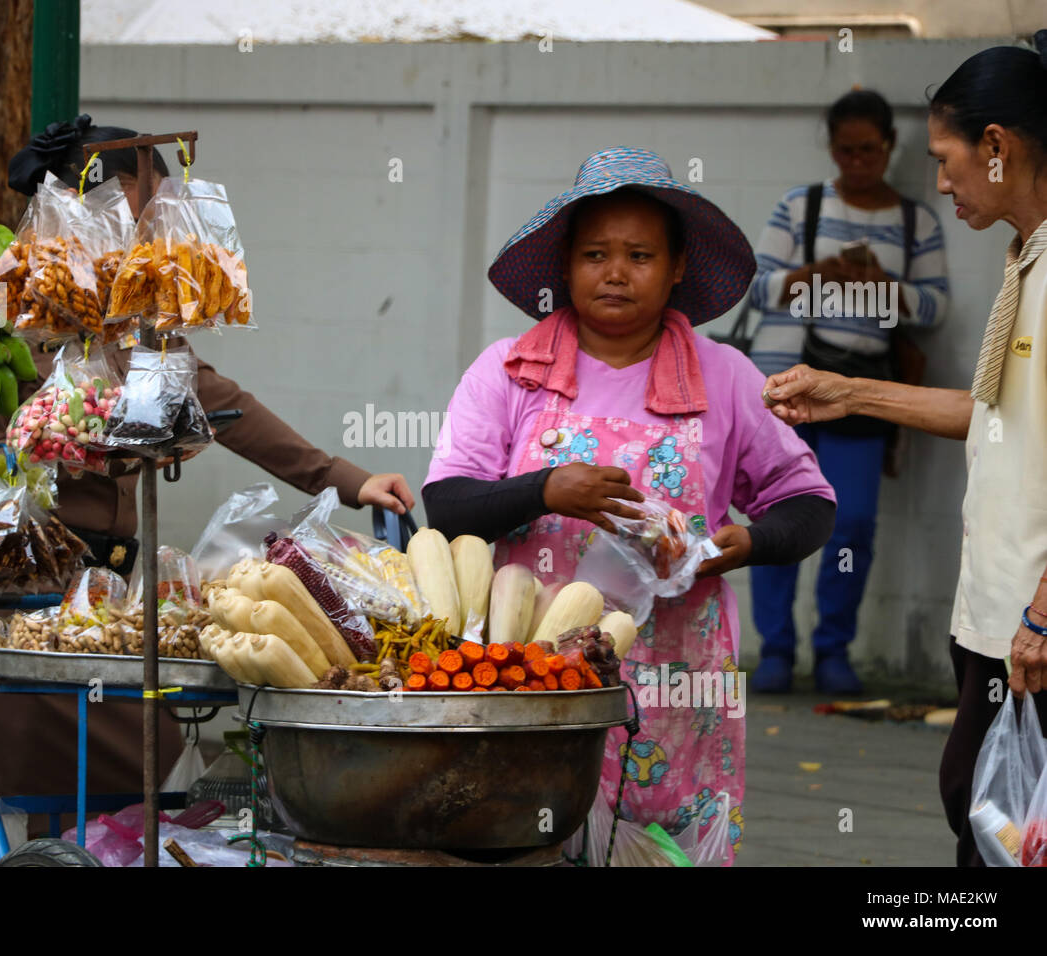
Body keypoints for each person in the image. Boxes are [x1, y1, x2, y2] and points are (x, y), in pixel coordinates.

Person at [0, 116, 415, 829]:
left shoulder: (139, 313)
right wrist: (92, 436)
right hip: (18, 597)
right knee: (9, 792)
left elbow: (219, 403)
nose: (155, 225)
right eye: (143, 205)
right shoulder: (6, 302)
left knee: (123, 786)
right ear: (90, 205)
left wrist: (342, 477)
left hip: (105, 601)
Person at [422, 147, 836, 863]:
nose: (615, 272)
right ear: (566, 266)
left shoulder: (728, 376)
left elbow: (808, 503)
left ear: (677, 266)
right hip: (529, 675)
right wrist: (547, 490)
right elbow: (448, 506)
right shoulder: (509, 371)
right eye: (594, 254)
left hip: (678, 684)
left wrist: (749, 544)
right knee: (527, 845)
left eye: (640, 254)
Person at [760, 33, 1047, 866]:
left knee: (994, 832)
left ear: (997, 147)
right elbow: (998, 417)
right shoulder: (1024, 257)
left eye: (946, 156)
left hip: (1029, 631)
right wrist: (847, 391)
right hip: (996, 623)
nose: (941, 178)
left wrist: (1040, 612)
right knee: (982, 816)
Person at [746, 90, 950, 695]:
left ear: (888, 146)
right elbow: (754, 288)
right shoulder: (800, 206)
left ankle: (834, 649)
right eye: (845, 150)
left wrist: (882, 286)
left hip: (858, 393)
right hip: (785, 386)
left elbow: (936, 307)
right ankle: (776, 650)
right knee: (773, 515)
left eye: (869, 150)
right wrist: (814, 278)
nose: (857, 161)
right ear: (831, 148)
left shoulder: (917, 221)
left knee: (853, 523)